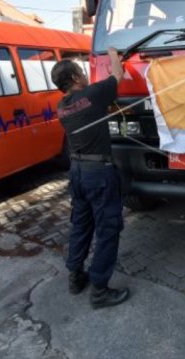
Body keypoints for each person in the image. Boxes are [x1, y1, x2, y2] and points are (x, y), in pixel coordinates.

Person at [51, 47, 129, 309]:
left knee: (81, 225)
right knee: (108, 229)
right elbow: (118, 73)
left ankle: (75, 277)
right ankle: (99, 290)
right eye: (81, 72)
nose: (85, 74)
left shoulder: (62, 107)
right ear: (74, 77)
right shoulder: (94, 94)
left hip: (77, 174)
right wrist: (113, 52)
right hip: (99, 175)